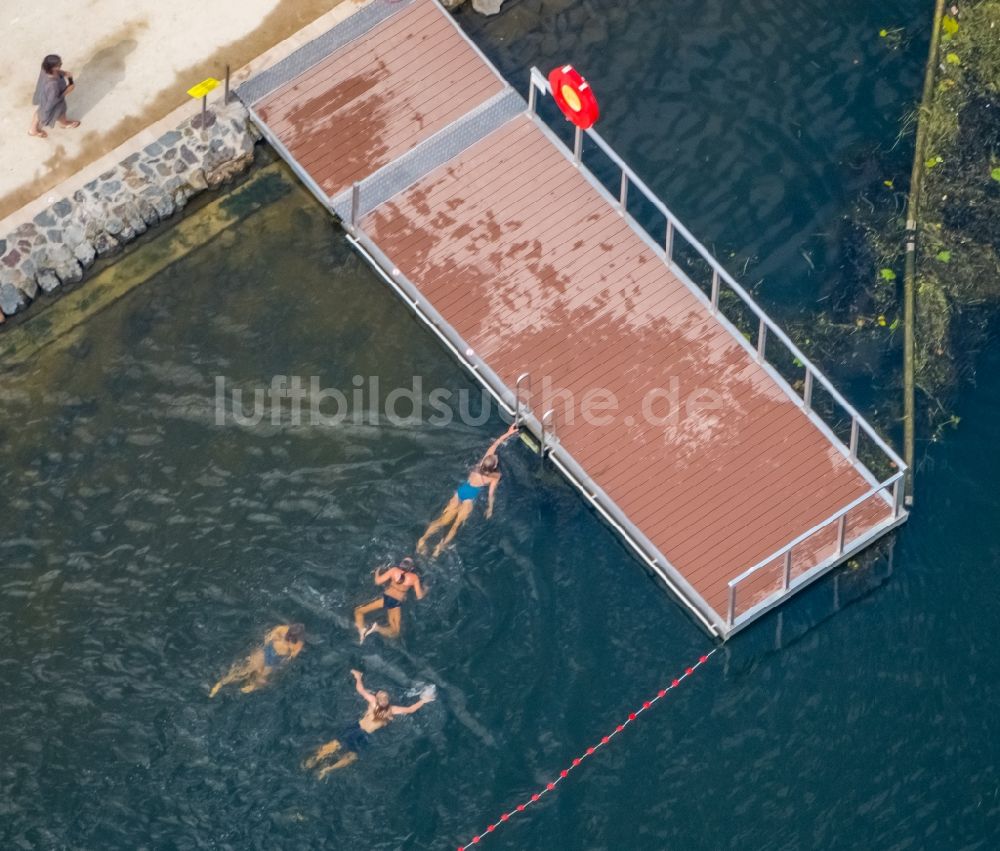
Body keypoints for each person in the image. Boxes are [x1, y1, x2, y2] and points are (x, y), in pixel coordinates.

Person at [303, 669, 434, 777]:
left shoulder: (373, 702)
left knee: (336, 745)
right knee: (351, 756)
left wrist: (358, 677)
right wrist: (424, 700)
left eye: (384, 695)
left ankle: (318, 762)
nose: (384, 697)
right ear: (384, 699)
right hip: (364, 735)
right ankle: (326, 770)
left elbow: (360, 690)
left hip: (355, 728)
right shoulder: (392, 710)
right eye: (383, 695)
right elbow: (410, 709)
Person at [417, 423, 518, 557]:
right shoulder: (495, 477)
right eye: (496, 460)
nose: (496, 458)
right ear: (494, 466)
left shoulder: (480, 465)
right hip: (470, 498)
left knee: (442, 520)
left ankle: (422, 540)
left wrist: (509, 432)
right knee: (456, 524)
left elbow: (495, 445)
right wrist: (490, 508)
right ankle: (438, 549)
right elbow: (491, 494)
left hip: (461, 492)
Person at [209, 623, 305, 697]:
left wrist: (272, 642)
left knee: (250, 671)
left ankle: (221, 684)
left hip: (271, 653)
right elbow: (290, 656)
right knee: (258, 674)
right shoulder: (295, 642)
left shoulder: (285, 631)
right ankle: (248, 686)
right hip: (272, 655)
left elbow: (269, 637)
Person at [353, 557, 426, 643]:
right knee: (395, 632)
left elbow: (378, 581)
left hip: (385, 598)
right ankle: (377, 628)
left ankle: (361, 630)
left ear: (401, 564)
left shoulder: (394, 570)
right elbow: (419, 596)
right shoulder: (414, 578)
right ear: (412, 568)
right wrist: (425, 590)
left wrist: (377, 572)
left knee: (358, 611)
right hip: (395, 603)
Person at [29, 54, 80, 139]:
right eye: (59, 64)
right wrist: (68, 90)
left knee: (41, 109)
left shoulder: (45, 68)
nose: (61, 64)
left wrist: (63, 73)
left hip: (44, 95)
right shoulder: (53, 85)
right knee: (60, 112)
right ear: (53, 67)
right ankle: (64, 124)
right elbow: (54, 100)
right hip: (52, 100)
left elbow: (54, 71)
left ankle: (32, 130)